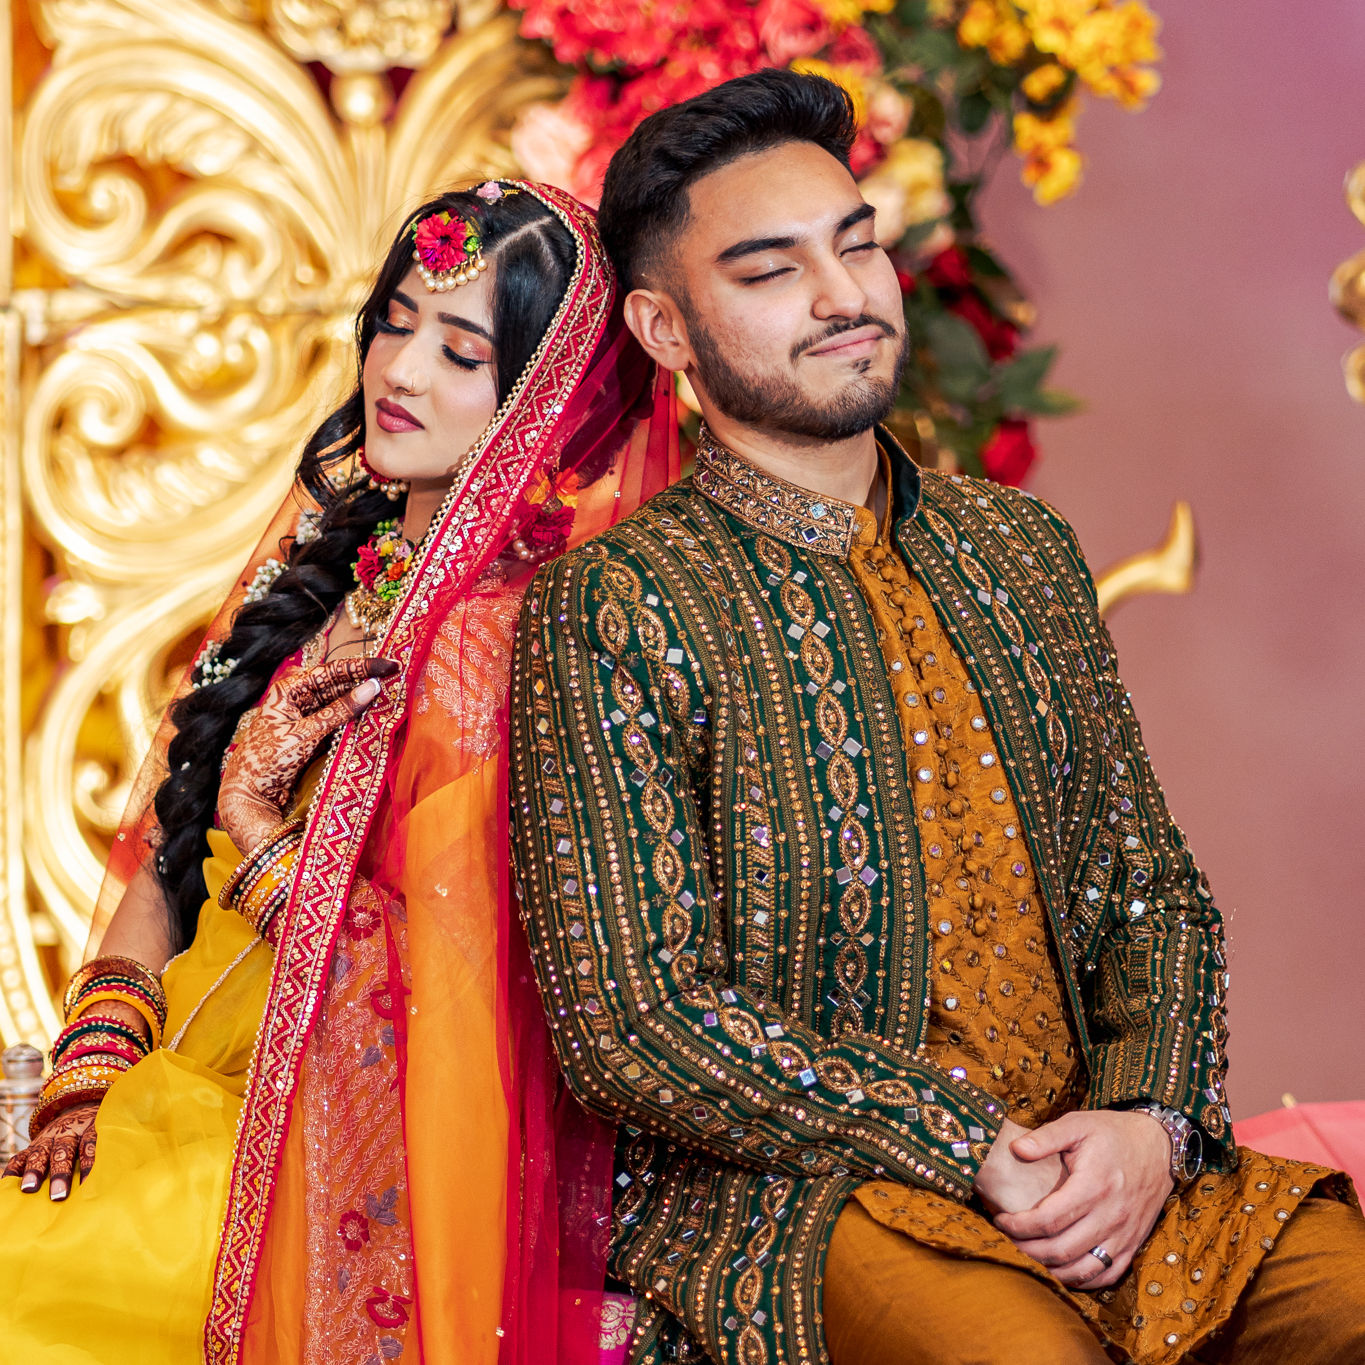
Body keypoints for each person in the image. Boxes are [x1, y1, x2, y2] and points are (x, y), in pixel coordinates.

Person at [508, 69, 1365, 1365]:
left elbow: (1152, 890)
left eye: (857, 245)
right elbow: (634, 1027)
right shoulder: (619, 606)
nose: (845, 295)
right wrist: (958, 1142)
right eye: (770, 269)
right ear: (666, 330)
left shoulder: (1013, 548)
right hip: (803, 1204)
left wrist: (1148, 1125)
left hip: (1101, 1172)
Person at [0, 181, 678, 1364]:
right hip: (172, 1088)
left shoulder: (511, 645)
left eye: (461, 352)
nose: (400, 371)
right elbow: (164, 849)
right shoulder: (328, 570)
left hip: (340, 1155)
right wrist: (93, 1067)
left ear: (542, 402)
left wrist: (263, 833)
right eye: (397, 320)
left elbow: (474, 996)